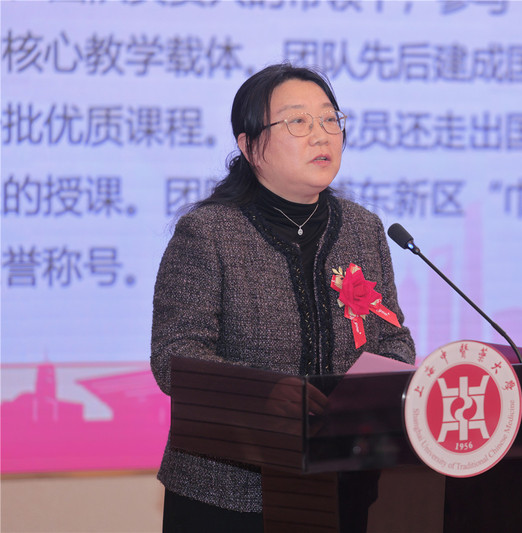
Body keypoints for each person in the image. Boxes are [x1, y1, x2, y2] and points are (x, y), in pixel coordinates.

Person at [150, 62, 416, 532]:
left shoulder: (363, 228)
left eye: (330, 119)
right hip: (229, 495)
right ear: (249, 145)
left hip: (343, 482)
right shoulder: (208, 233)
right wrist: (265, 393)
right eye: (298, 121)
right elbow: (175, 357)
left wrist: (360, 398)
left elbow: (393, 340)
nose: (321, 135)